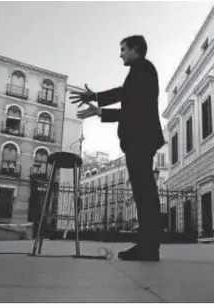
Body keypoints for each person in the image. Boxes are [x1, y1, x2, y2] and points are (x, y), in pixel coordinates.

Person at [70, 35, 165, 261]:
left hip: (141, 139)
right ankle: (147, 245)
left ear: (135, 49)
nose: (120, 53)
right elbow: (128, 101)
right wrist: (98, 105)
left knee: (144, 193)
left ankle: (148, 247)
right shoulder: (141, 71)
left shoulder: (143, 68)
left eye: (123, 49)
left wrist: (97, 104)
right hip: (140, 139)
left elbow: (129, 102)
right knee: (144, 193)